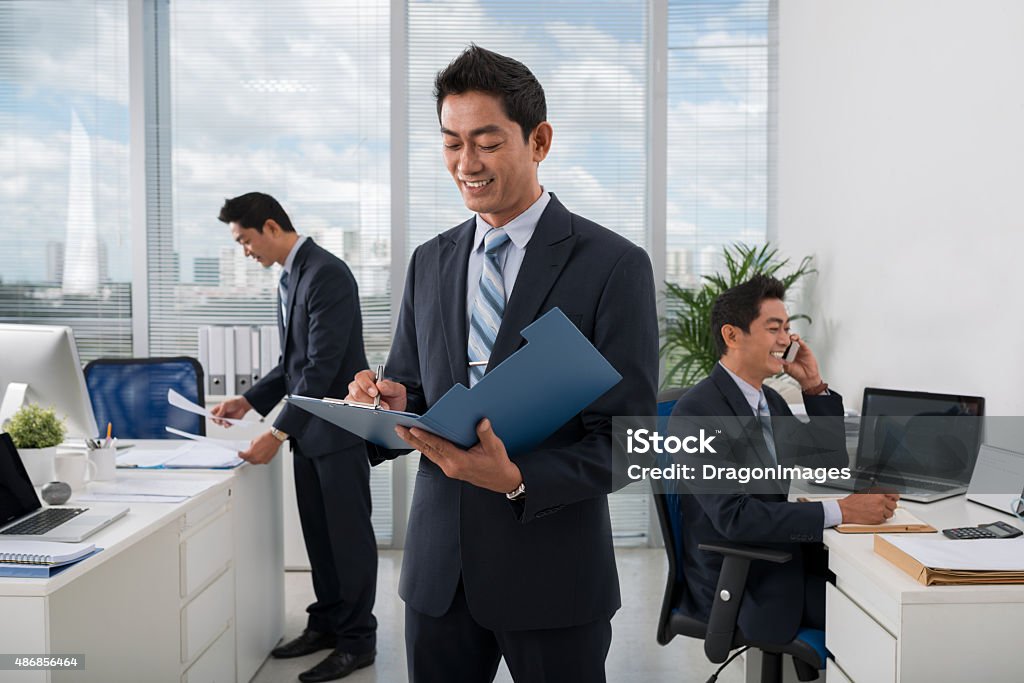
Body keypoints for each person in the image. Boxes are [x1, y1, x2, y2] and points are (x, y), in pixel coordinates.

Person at [346, 46, 658, 682]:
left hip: (553, 573)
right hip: (438, 573)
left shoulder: (612, 266)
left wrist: (517, 479)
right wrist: (386, 403)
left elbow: (628, 441)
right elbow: (411, 383)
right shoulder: (429, 261)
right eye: (452, 143)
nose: (467, 164)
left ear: (538, 140)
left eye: (487, 143)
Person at [668, 274, 898, 645]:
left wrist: (814, 385)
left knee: (879, 596)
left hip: (781, 562)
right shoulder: (696, 413)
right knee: (881, 618)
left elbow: (826, 464)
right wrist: (844, 511)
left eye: (788, 329)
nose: (786, 340)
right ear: (732, 336)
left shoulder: (768, 401)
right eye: (774, 328)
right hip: (744, 583)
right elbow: (734, 517)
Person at [211, 192, 377, 682]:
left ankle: (357, 643)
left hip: (338, 432)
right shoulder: (291, 275)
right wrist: (250, 400)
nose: (245, 252)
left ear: (269, 226)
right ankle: (326, 625)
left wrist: (277, 432)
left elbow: (323, 367)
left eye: (244, 241)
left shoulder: (326, 272)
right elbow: (294, 362)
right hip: (311, 433)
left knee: (348, 542)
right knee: (320, 541)